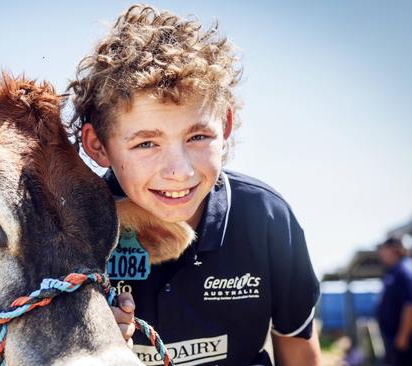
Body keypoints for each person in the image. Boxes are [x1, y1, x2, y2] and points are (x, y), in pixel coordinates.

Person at [68, 5, 321, 365]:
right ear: (98, 145)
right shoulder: (70, 230)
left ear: (226, 125)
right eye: (145, 144)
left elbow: (297, 345)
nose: (179, 171)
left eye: (198, 136)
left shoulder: (265, 216)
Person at [377, 237, 412, 366]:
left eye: (383, 249)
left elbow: (410, 305)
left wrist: (403, 335)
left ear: (394, 249)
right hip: (393, 337)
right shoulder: (394, 271)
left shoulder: (404, 271)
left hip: (404, 340)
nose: (381, 253)